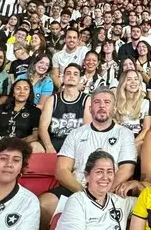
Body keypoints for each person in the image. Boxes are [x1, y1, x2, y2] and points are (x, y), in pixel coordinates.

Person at [40, 88, 138, 226]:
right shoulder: (76, 133)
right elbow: (61, 170)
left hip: (109, 187)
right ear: (91, 109)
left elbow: (127, 169)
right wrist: (84, 192)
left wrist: (102, 190)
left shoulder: (124, 133)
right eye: (97, 102)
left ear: (114, 108)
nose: (102, 106)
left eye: (107, 102)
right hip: (77, 187)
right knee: (44, 204)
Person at [58, 150, 133, 230]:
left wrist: (137, 185)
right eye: (99, 172)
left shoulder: (122, 201)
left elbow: (147, 200)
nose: (105, 177)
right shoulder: (77, 201)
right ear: (87, 175)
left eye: (109, 172)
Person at [39, 63, 88, 153]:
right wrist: (49, 147)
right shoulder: (52, 99)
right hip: (55, 141)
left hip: (77, 143)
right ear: (63, 77)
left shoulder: (86, 100)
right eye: (68, 73)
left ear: (80, 79)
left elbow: (87, 128)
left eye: (75, 74)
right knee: (35, 147)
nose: (71, 76)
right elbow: (42, 128)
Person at [0, 78, 42, 146]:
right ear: (13, 92)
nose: (22, 91)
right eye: (18, 88)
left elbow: (34, 136)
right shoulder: (1, 108)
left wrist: (14, 144)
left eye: (25, 89)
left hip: (21, 146)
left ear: (29, 93)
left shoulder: (35, 111)